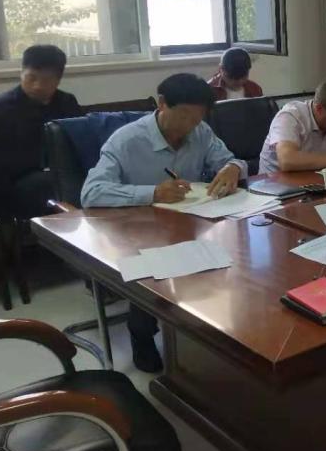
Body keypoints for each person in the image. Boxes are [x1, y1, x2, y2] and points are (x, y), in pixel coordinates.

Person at [81, 73, 247, 372]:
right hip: (138, 231)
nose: (190, 125)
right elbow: (91, 193)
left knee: (231, 262)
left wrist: (233, 167)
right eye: (184, 116)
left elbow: (229, 160)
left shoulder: (201, 131)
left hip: (190, 224)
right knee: (157, 271)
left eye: (197, 118)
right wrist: (153, 193)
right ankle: (141, 334)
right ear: (162, 104)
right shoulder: (127, 140)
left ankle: (201, 335)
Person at [0, 45, 82, 221]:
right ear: (21, 73)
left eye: (47, 80)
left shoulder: (67, 103)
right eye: (31, 78)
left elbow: (79, 142)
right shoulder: (0, 109)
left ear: (58, 80)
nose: (38, 86)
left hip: (63, 174)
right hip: (16, 182)